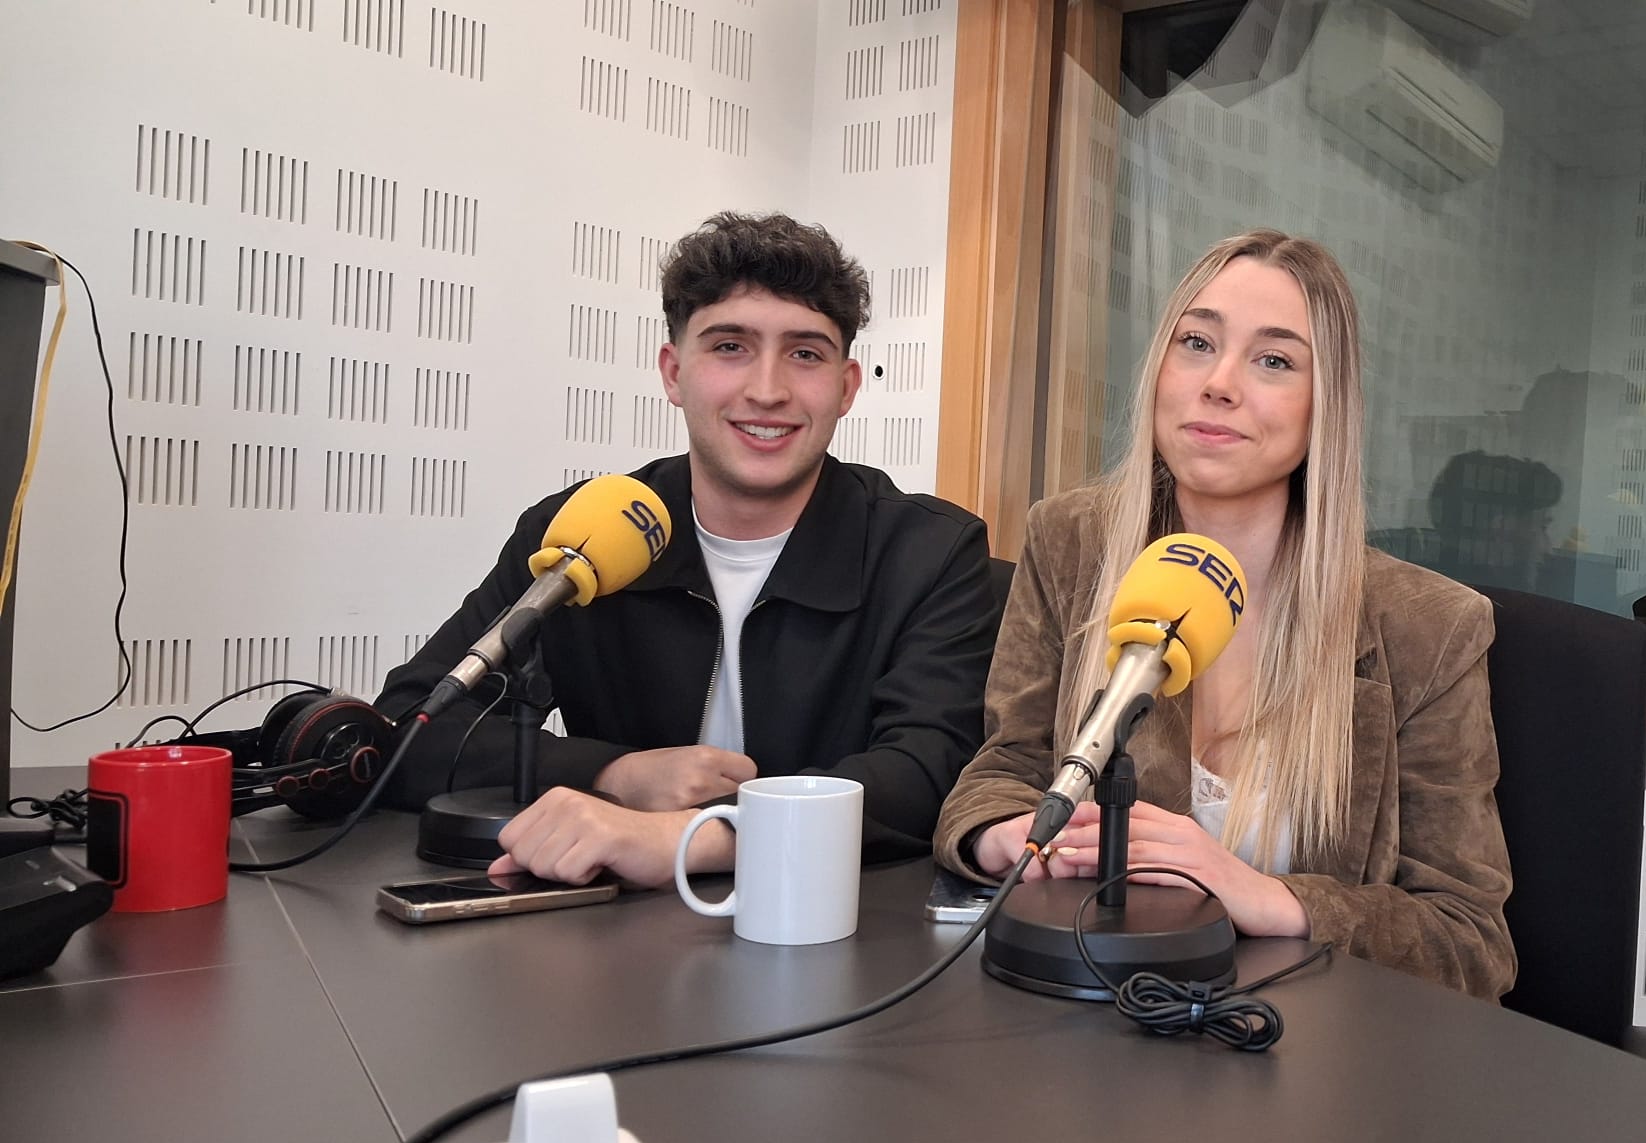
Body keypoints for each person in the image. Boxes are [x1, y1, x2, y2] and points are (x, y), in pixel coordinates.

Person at [932, 230, 1516, 1000]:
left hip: (1308, 1052)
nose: (1220, 384)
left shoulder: (1430, 628)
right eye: (1197, 343)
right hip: (1100, 1018)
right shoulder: (1070, 542)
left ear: (1326, 406)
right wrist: (1008, 836)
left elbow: (1469, 943)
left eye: (1274, 360)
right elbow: (1002, 770)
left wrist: (1265, 895)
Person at [378, 212, 998, 887]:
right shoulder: (579, 533)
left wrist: (687, 837)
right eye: (729, 347)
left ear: (847, 388)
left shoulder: (932, 553)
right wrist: (613, 773)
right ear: (674, 373)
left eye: (806, 353)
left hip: (842, 925)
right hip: (610, 938)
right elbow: (410, 725)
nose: (768, 390)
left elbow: (926, 771)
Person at [1428, 449, 1563, 593]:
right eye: (1542, 527)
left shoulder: (1429, 585)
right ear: (1502, 528)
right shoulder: (1490, 607)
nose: (1548, 548)